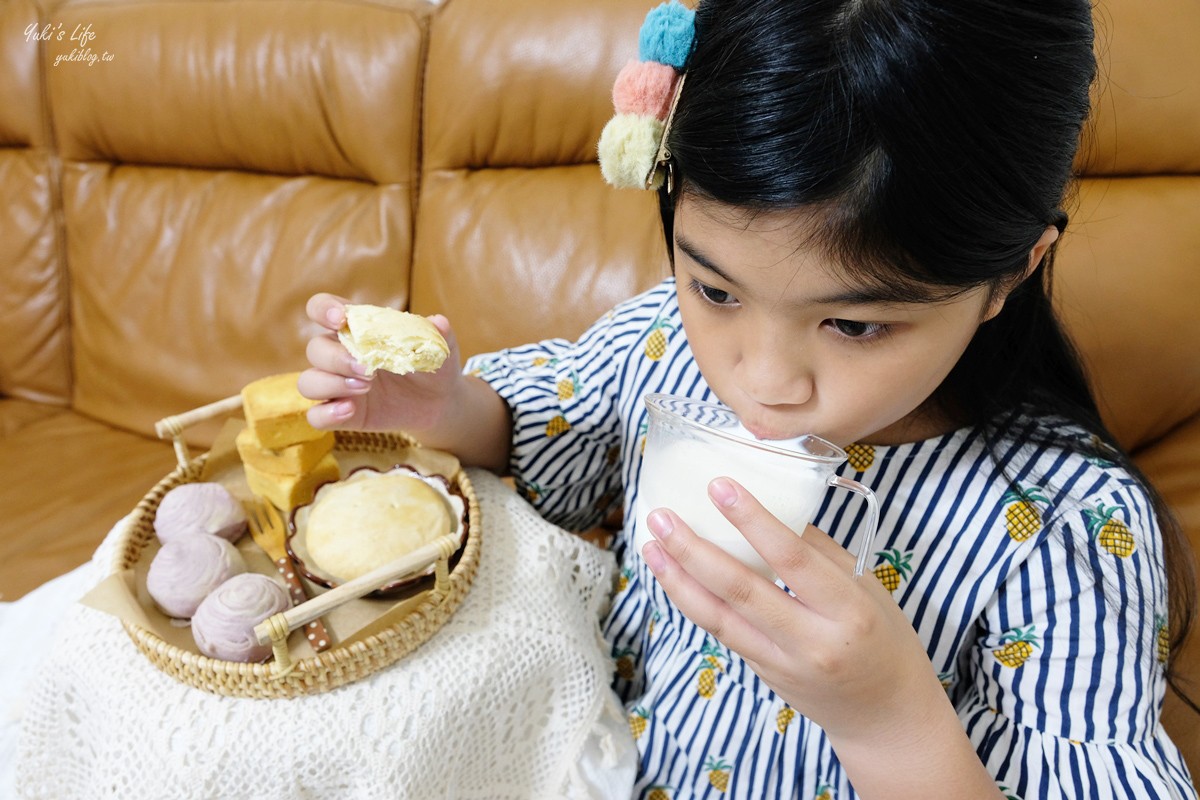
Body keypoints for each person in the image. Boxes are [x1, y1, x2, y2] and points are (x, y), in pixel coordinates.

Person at [299, 0, 1198, 796]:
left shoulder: (1064, 532)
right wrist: (444, 409)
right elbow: (553, 432)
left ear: (1010, 273)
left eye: (854, 325)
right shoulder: (663, 344)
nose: (762, 380)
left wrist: (890, 725)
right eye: (718, 291)